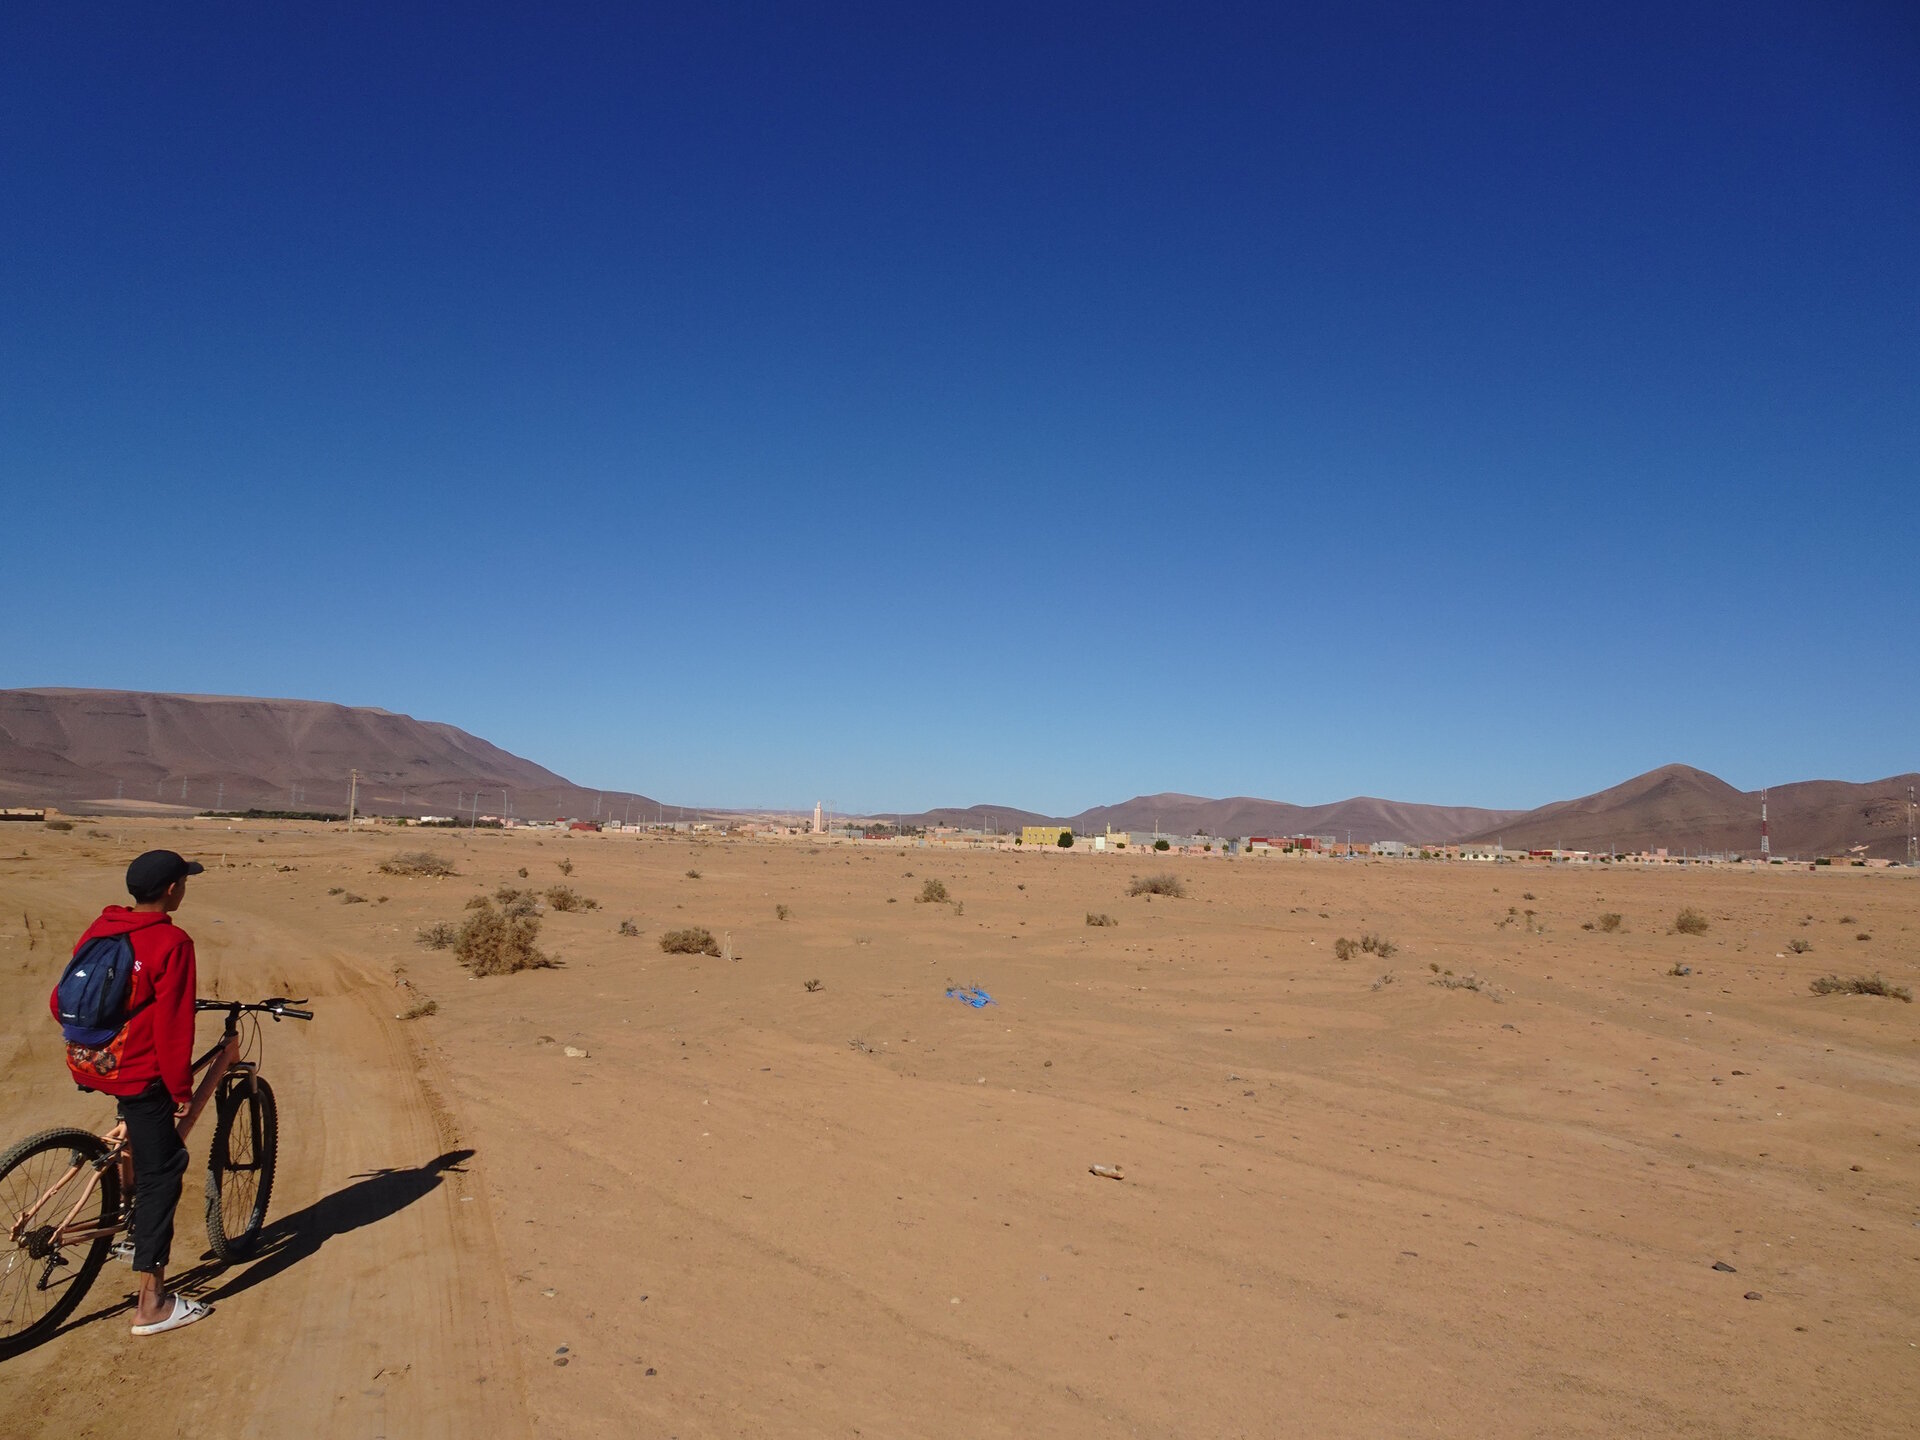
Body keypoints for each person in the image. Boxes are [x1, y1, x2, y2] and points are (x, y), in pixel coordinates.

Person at [53, 849, 212, 1336]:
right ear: (172, 889)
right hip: (136, 1073)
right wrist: (181, 1088)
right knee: (164, 1171)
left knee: (141, 1140)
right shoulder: (171, 941)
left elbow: (61, 1000)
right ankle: (152, 1304)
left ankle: (125, 1210)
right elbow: (174, 1025)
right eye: (183, 882)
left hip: (87, 1058)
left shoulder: (101, 927)